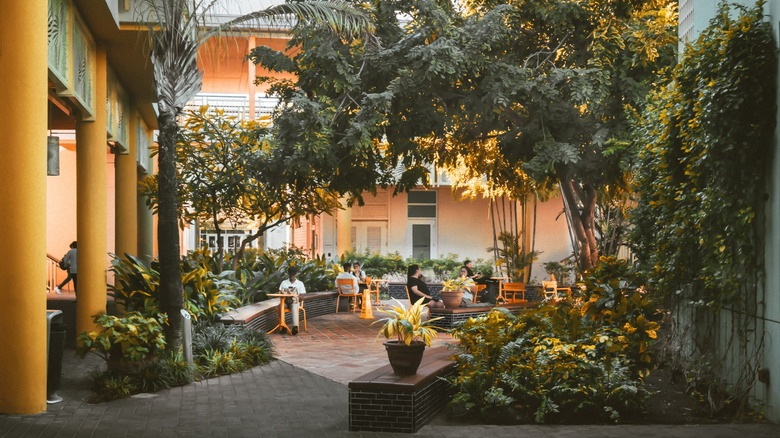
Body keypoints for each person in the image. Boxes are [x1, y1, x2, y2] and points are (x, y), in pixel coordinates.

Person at [278, 266, 306, 335]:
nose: (292, 276)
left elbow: (302, 297)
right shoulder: (284, 283)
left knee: (294, 307)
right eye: (290, 274)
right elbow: (280, 293)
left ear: (296, 275)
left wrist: (295, 296)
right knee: (280, 307)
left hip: (295, 301)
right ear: (288, 274)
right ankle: (283, 326)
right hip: (285, 301)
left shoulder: (300, 283)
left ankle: (295, 327)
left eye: (293, 275)